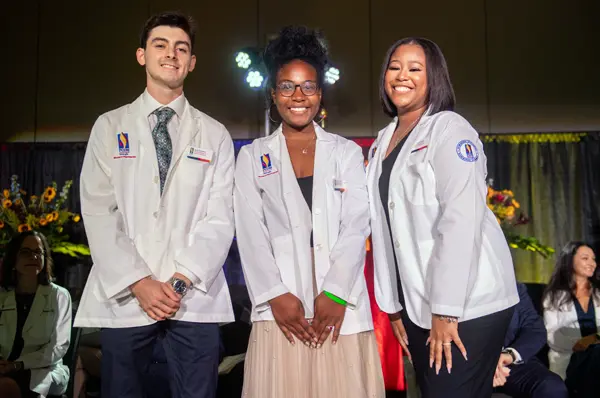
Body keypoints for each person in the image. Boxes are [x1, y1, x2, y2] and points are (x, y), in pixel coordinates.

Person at [74, 11, 236, 398]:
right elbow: (98, 210)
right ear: (142, 55)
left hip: (193, 297)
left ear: (192, 62)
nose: (171, 54)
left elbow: (221, 218)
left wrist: (180, 280)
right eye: (160, 45)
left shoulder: (214, 134)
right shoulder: (110, 127)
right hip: (127, 297)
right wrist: (139, 282)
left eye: (182, 48)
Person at [234, 25, 385, 398]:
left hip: (340, 310)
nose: (298, 96)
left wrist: (334, 293)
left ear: (320, 92)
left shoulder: (346, 152)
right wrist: (275, 294)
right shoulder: (253, 156)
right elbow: (250, 232)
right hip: (281, 313)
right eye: (287, 86)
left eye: (308, 86)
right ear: (273, 93)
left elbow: (356, 226)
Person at [366, 37, 519, 398]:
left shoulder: (449, 129)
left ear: (433, 77)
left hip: (467, 304)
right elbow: (385, 230)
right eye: (394, 66)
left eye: (415, 69)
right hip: (417, 305)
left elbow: (460, 219)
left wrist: (446, 311)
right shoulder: (382, 141)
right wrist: (393, 308)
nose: (402, 76)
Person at [0, 231, 72, 398]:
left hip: (44, 370)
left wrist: (17, 365)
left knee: (6, 387)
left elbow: (58, 347)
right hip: (4, 367)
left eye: (38, 252)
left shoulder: (59, 296)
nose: (33, 257)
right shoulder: (2, 296)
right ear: (13, 259)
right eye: (25, 252)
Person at [543, 241, 600, 397]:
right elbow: (553, 337)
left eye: (594, 259)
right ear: (570, 260)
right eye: (585, 258)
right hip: (570, 362)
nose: (592, 263)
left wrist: (592, 339)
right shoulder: (554, 296)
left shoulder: (598, 293)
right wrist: (583, 342)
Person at [492, 283, 568, 397]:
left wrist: (510, 354)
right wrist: (488, 365)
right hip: (469, 364)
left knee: (551, 386)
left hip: (510, 360)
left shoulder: (514, 288)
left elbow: (534, 328)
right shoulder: (457, 293)